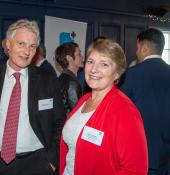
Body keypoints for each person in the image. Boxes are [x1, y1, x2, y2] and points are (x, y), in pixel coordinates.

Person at [0, 19, 65, 175]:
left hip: (38, 163)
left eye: (32, 46)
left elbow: (60, 121)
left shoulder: (47, 79)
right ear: (8, 44)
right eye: (21, 44)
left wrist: (52, 160)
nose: (27, 51)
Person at [60, 39, 148, 175]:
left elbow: (135, 170)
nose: (94, 69)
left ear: (117, 74)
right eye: (90, 61)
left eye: (104, 64)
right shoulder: (84, 100)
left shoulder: (125, 111)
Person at [119, 28, 170, 175]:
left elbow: (119, 111)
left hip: (139, 154)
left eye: (137, 48)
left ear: (144, 47)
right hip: (166, 156)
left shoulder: (130, 75)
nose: (136, 52)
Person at [55, 42, 83, 115]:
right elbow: (77, 114)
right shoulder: (72, 83)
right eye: (79, 54)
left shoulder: (61, 78)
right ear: (69, 58)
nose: (82, 57)